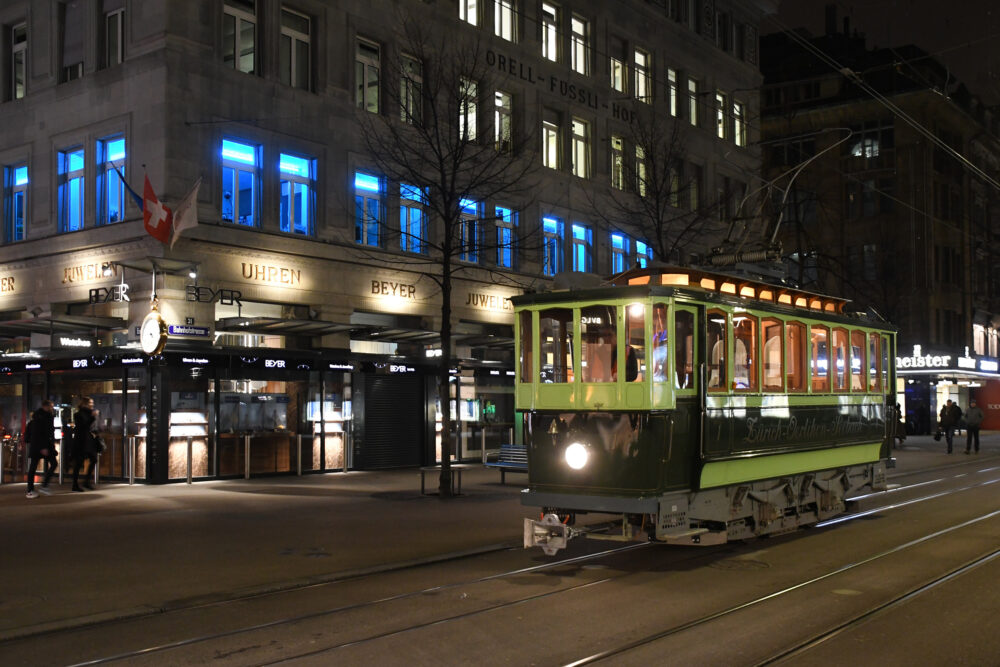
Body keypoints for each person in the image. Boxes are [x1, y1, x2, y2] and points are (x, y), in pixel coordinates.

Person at [25, 400, 57, 499]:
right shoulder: (41, 417)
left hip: (41, 445)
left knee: (50, 464)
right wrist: (43, 447)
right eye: (51, 406)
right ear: (45, 406)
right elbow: (39, 433)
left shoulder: (42, 416)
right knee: (34, 467)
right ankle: (31, 490)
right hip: (40, 445)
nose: (52, 408)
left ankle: (42, 486)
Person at [71, 396, 99, 492]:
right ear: (85, 404)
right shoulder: (78, 415)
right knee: (78, 463)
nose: (92, 404)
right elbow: (83, 426)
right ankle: (75, 485)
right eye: (91, 403)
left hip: (88, 441)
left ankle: (86, 481)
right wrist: (92, 417)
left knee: (94, 459)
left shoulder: (89, 414)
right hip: (81, 441)